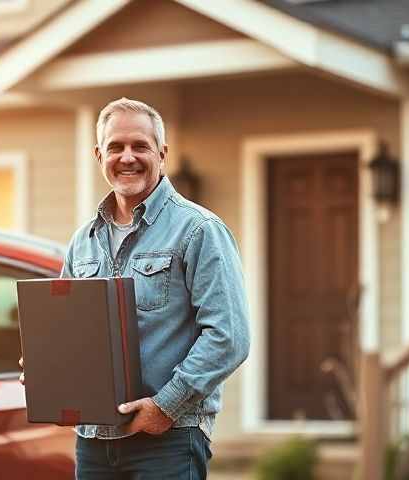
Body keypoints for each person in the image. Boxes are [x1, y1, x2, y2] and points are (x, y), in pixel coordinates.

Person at [20, 98, 250, 479]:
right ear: (99, 155)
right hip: (94, 443)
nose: (128, 157)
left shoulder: (199, 230)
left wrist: (165, 407)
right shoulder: (84, 241)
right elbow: (69, 332)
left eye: (140, 146)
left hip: (169, 441)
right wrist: (48, 367)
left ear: (162, 153)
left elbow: (229, 337)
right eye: (116, 147)